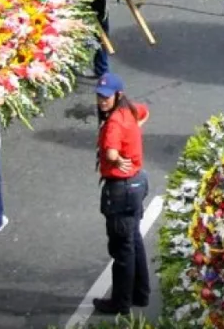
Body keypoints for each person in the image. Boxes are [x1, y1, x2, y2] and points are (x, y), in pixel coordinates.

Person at [93, 72, 151, 317]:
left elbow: (109, 153)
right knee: (134, 241)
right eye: (99, 96)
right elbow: (145, 111)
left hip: (120, 190)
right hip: (137, 184)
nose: (102, 101)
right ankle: (141, 293)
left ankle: (121, 302)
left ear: (118, 95)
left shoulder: (114, 122)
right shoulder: (130, 110)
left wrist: (116, 161)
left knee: (121, 249)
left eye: (106, 97)